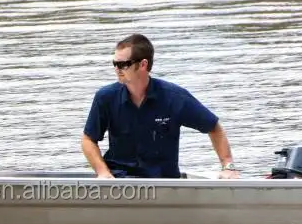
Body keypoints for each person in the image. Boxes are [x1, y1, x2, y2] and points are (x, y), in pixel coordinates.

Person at [81, 34, 239, 179]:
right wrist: (103, 172)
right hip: (119, 182)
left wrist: (228, 166)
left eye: (123, 64)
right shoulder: (105, 97)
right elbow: (88, 140)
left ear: (143, 64)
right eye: (115, 64)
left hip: (164, 185)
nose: (117, 69)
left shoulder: (175, 97)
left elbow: (214, 127)